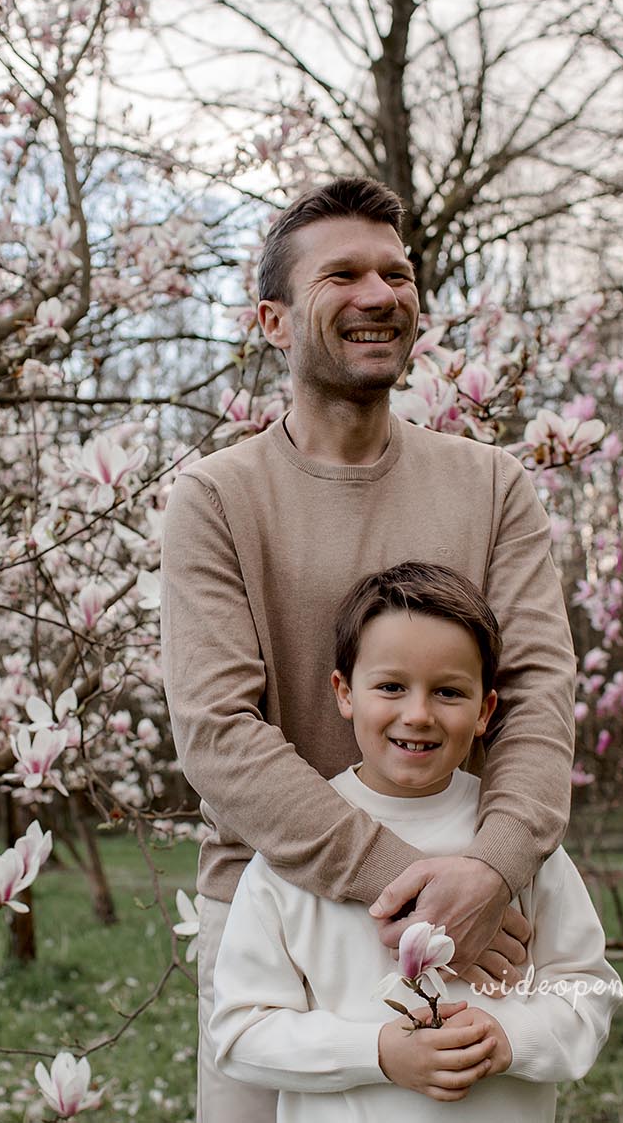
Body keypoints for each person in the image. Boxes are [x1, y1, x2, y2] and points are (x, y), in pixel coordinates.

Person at [160, 177, 578, 1122]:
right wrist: (414, 885)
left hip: (482, 902)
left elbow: (540, 693)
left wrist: (491, 868)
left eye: (397, 273)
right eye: (342, 273)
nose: (380, 294)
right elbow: (220, 731)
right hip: (275, 906)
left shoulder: (493, 485)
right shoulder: (218, 499)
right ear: (273, 319)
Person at [208, 563, 619, 1121]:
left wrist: (510, 1038)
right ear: (344, 692)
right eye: (391, 686)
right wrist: (377, 1054)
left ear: (485, 711)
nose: (418, 714)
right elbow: (240, 1032)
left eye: (448, 691)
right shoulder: (291, 855)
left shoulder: (515, 843)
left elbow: (586, 991)